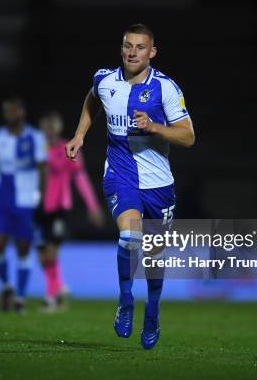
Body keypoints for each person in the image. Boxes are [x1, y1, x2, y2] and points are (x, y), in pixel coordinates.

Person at [65, 24, 195, 349]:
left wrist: (155, 127)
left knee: (154, 255)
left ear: (152, 52)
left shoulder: (165, 88)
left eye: (139, 47)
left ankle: (152, 312)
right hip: (120, 174)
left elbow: (188, 136)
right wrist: (80, 134)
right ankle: (126, 300)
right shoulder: (105, 80)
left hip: (159, 183)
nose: (132, 53)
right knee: (130, 235)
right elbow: (92, 100)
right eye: (127, 46)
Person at [0, 96, 47, 314]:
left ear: (22, 112)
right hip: (3, 201)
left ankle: (20, 297)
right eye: (6, 111)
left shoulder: (36, 137)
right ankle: (7, 286)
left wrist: (43, 199)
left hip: (27, 202)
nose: (10, 114)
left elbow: (44, 169)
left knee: (23, 249)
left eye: (13, 110)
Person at [37, 111, 105, 312]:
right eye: (46, 125)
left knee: (51, 251)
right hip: (36, 207)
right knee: (42, 255)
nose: (49, 129)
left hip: (59, 207)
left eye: (53, 125)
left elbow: (80, 179)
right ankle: (59, 289)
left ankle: (51, 296)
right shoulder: (35, 149)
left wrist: (93, 207)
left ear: (58, 128)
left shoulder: (68, 148)